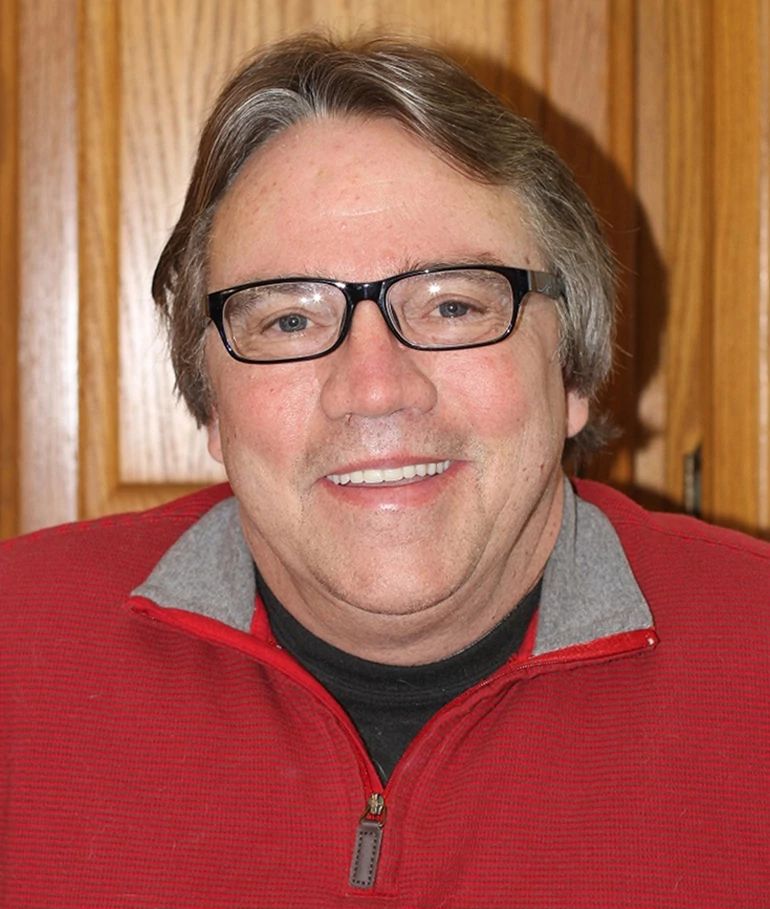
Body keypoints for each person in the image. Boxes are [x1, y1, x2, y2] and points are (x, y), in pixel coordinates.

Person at [2, 33, 768, 908]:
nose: (374, 389)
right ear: (211, 403)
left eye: (452, 304)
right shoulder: (14, 661)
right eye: (288, 320)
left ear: (572, 375)